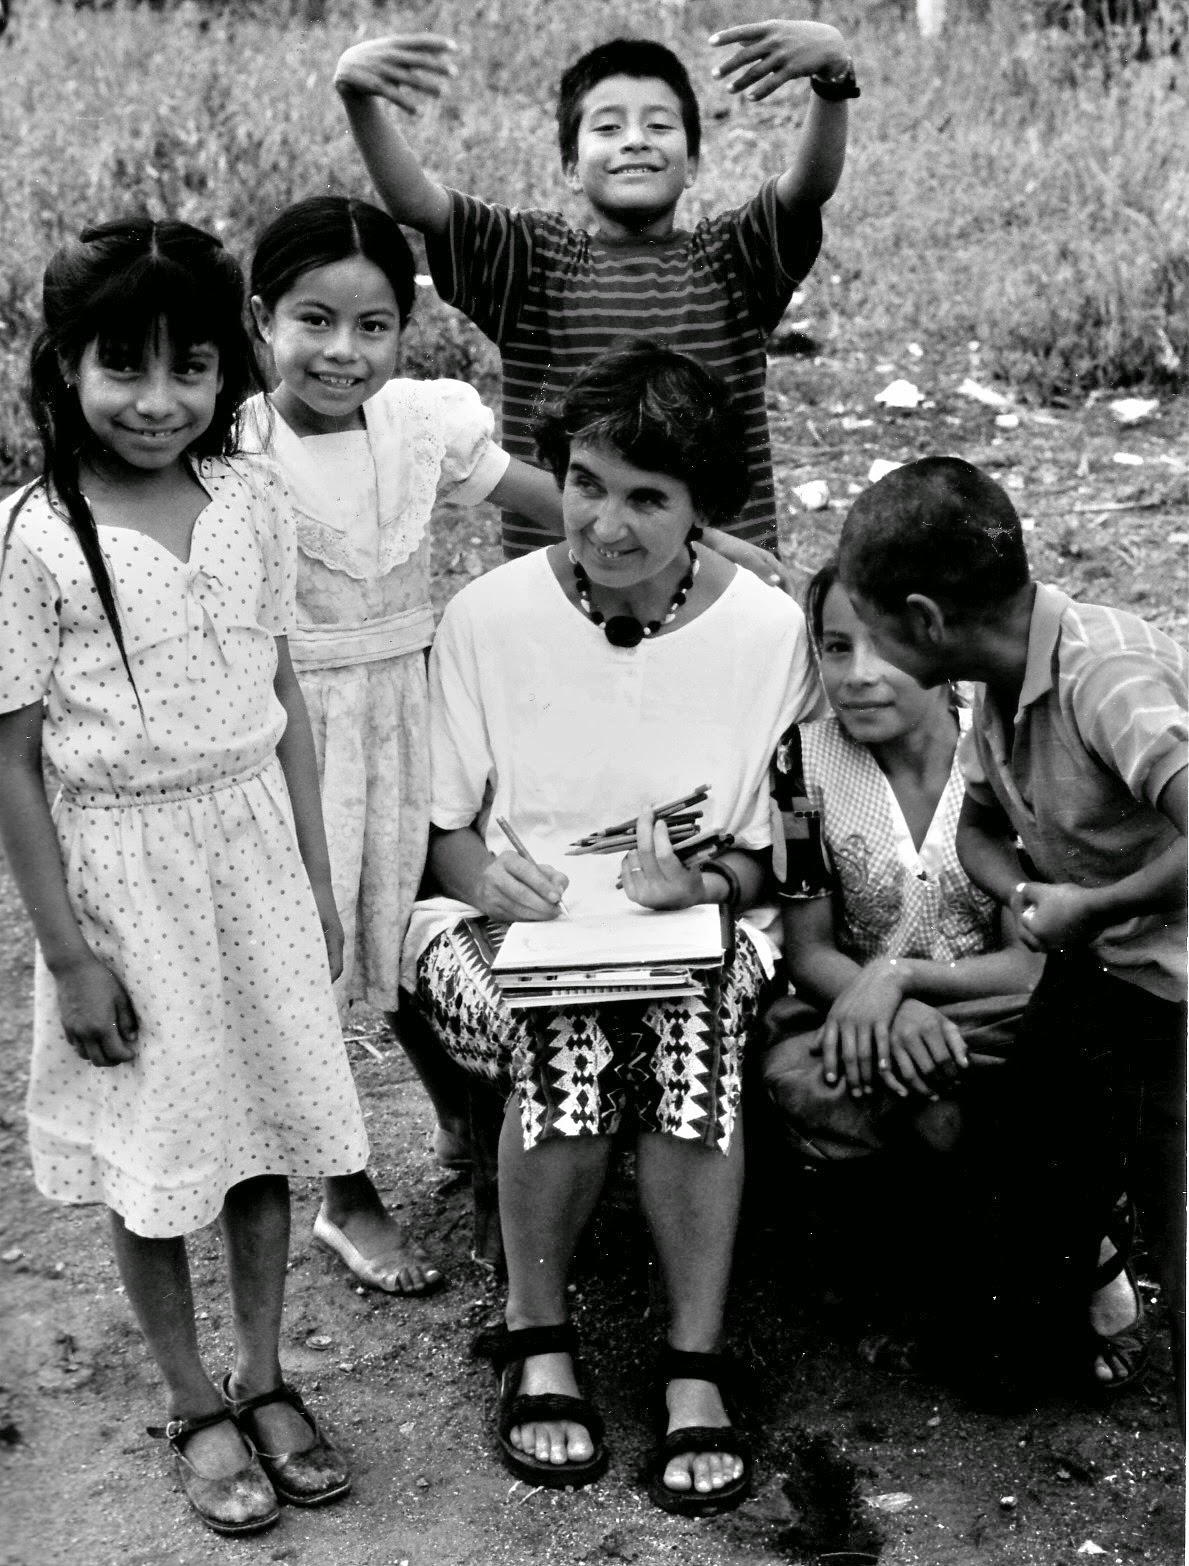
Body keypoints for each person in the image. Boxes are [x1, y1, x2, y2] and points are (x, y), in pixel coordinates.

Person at [403, 342, 822, 1512]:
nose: (606, 522)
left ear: (701, 508)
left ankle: (693, 1359)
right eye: (586, 484)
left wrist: (710, 884)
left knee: (687, 1025)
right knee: (569, 1029)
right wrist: (486, 879)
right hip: (500, 934)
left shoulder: (767, 634)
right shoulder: (487, 617)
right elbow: (440, 829)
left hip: (700, 930)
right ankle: (538, 1336)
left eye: (648, 497)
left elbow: (789, 846)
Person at [0, 219, 367, 1535]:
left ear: (228, 370)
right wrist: (69, 954)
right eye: (124, 365)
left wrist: (316, 880)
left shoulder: (253, 500)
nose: (158, 400)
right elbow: (12, 760)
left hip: (253, 853)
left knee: (263, 1126)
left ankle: (264, 1374)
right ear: (65, 365)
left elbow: (285, 694)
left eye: (192, 367)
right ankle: (193, 1397)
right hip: (125, 881)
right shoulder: (32, 535)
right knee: (156, 1154)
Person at [240, 194, 564, 1295]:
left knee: (420, 923)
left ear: (403, 330)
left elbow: (560, 502)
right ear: (260, 319)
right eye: (314, 320)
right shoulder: (232, 446)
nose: (343, 350)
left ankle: (463, 1124)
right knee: (316, 958)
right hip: (292, 732)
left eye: (372, 325)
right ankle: (346, 1192)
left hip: (414, 715)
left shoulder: (420, 425)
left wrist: (695, 545)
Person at [836, 456, 1187, 1404]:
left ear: (924, 621)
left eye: (871, 627)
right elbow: (978, 831)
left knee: (1175, 1192)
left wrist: (1095, 907)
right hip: (1098, 971)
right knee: (1037, 1162)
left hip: (1173, 987)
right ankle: (1054, 1320)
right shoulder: (996, 683)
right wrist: (1032, 896)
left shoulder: (1104, 677)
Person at [332, 20, 855, 558]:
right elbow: (418, 204)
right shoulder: (533, 262)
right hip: (565, 579)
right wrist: (358, 99)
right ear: (570, 167)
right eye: (608, 128)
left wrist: (833, 80)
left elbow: (808, 188)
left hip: (720, 582)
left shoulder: (733, 261)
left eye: (659, 125)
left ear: (693, 164)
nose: (635, 139)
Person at [762, 562, 1040, 1365]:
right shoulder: (800, 764)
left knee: (1014, 1090)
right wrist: (888, 1005)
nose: (857, 675)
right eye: (834, 647)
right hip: (856, 1019)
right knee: (806, 1078)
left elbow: (1026, 969)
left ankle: (1071, 1260)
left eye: (883, 647)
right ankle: (933, 1282)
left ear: (935, 643)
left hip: (992, 1015)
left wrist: (906, 980)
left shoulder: (1002, 748)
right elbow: (808, 948)